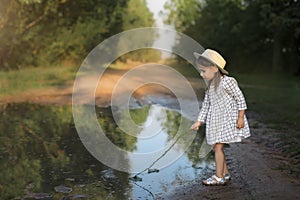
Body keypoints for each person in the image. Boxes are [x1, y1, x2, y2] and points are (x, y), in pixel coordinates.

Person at [190, 49, 250, 186]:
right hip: (216, 121)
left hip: (227, 120)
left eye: (203, 71)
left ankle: (218, 177)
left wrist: (240, 117)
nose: (201, 74)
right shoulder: (210, 86)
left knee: (217, 147)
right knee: (216, 146)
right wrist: (199, 121)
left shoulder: (227, 82)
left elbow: (240, 99)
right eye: (200, 71)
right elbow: (206, 105)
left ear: (215, 69)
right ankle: (225, 173)